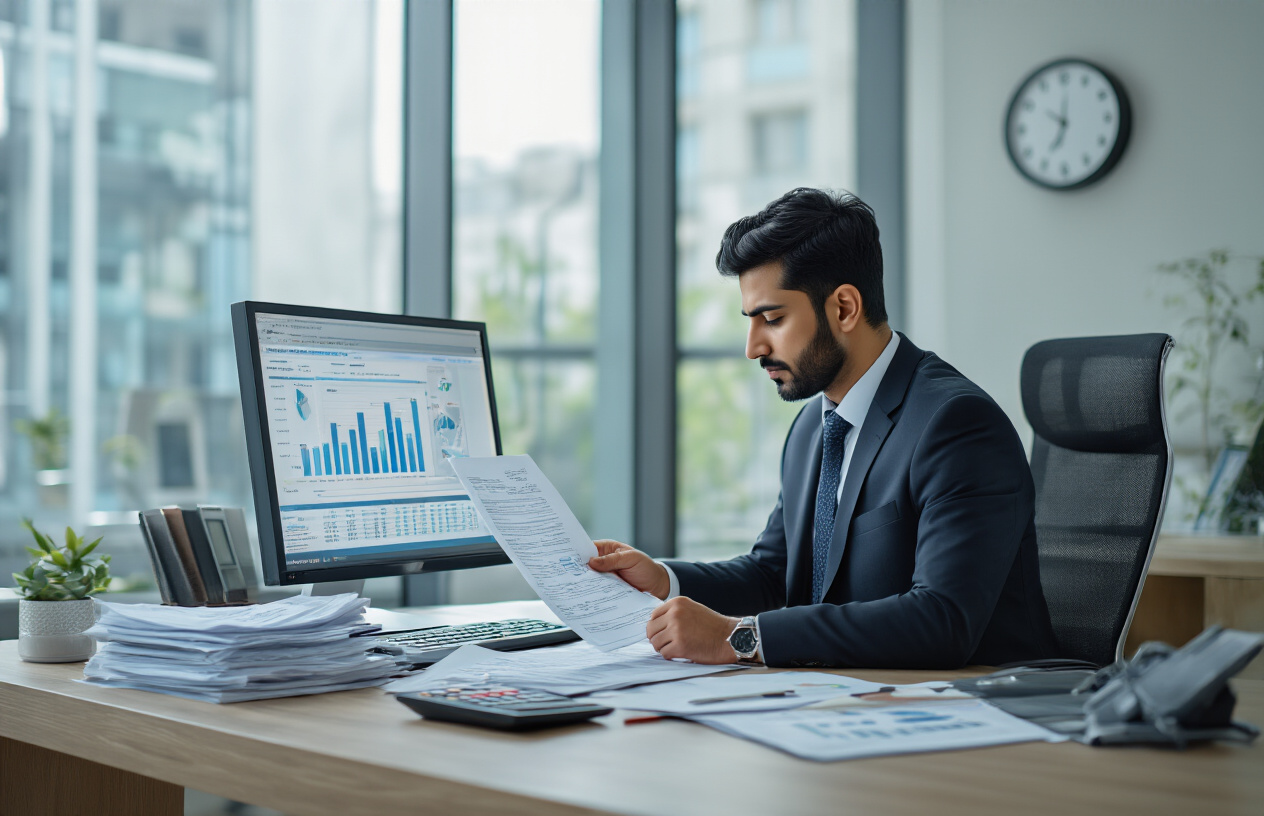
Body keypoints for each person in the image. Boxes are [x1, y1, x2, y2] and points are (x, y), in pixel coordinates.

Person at [588, 187, 1059, 669]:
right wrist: (663, 579)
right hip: (847, 698)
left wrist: (739, 638)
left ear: (844, 308)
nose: (753, 347)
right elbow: (775, 575)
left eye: (772, 318)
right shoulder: (814, 428)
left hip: (974, 712)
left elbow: (942, 620)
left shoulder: (956, 425)